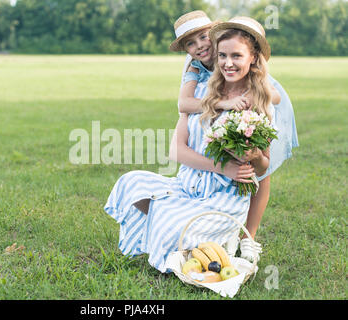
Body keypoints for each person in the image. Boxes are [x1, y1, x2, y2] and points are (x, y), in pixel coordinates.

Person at [103, 17, 273, 274]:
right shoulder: (202, 93)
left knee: (169, 223)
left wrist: (256, 155)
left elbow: (263, 166)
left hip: (222, 196)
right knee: (130, 183)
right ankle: (181, 229)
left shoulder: (258, 101)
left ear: (252, 58)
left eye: (236, 56)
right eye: (224, 56)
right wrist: (221, 166)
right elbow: (177, 151)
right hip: (188, 184)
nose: (227, 63)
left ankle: (199, 233)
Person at [170, 13, 299, 262]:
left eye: (204, 37)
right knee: (226, 155)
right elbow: (184, 103)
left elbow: (274, 97)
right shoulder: (195, 65)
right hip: (217, 101)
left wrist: (252, 100)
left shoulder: (235, 56)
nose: (200, 46)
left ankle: (248, 236)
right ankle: (226, 224)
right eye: (191, 43)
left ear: (214, 35)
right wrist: (225, 103)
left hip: (252, 101)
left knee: (261, 168)